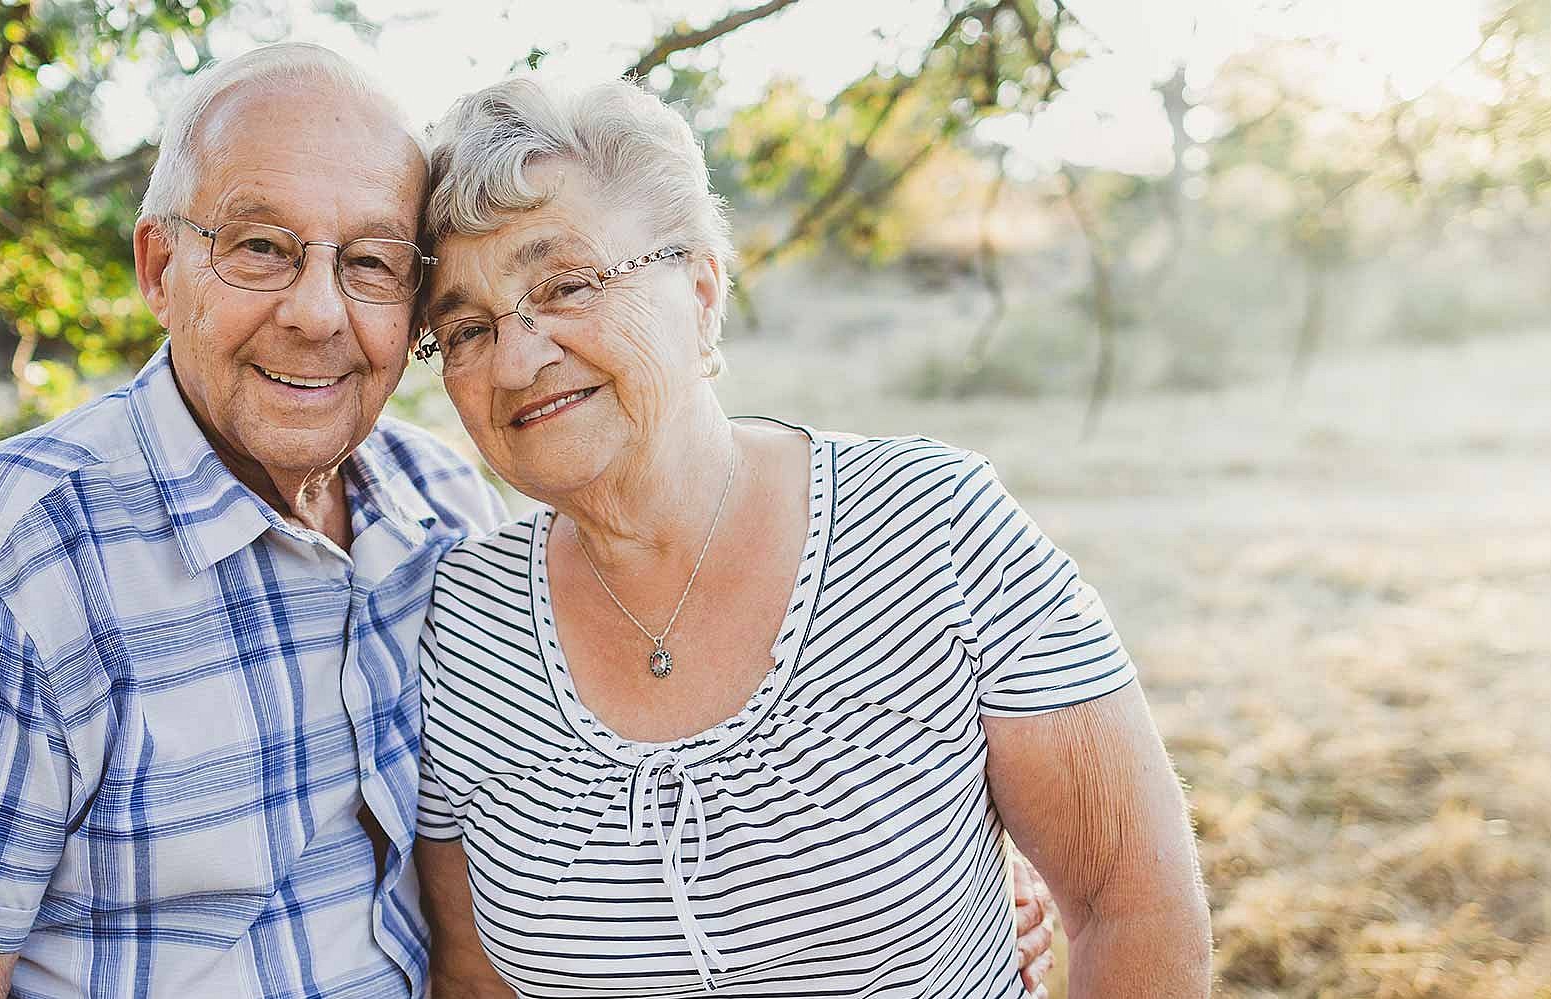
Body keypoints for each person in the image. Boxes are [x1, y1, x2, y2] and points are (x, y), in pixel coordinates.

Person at [0, 44, 1057, 998]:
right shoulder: (11, 558)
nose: (315, 313)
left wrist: (916, 875)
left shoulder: (443, 510)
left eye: (368, 265)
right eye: (258, 248)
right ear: (156, 267)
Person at [411, 77, 1213, 998]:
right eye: (465, 328)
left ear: (701, 288)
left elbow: (1131, 901)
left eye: (566, 284)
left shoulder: (931, 526)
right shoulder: (462, 624)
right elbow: (472, 980)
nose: (516, 359)